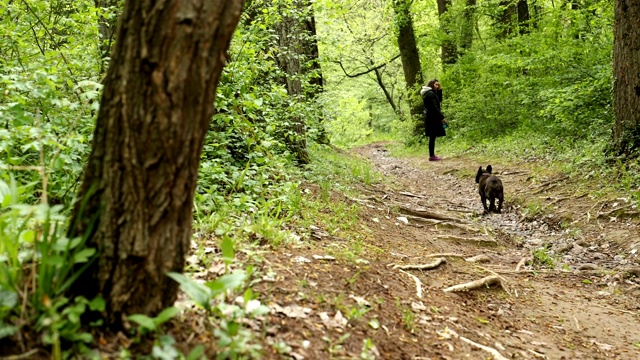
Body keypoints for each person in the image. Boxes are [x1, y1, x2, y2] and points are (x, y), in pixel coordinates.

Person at [420, 79, 448, 161]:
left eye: (438, 85)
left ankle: (432, 155)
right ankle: (432, 156)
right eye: (436, 85)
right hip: (432, 118)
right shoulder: (430, 94)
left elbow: (439, 100)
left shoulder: (430, 93)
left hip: (432, 117)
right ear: (431, 85)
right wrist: (442, 117)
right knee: (432, 136)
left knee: (433, 136)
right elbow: (434, 107)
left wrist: (439, 90)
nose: (437, 86)